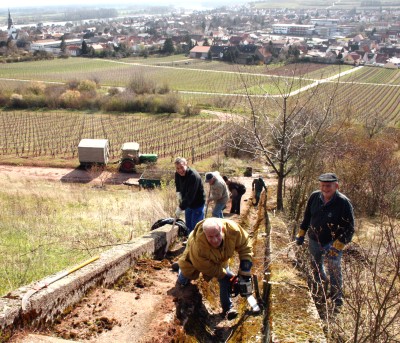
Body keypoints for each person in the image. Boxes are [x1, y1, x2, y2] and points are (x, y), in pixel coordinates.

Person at [296, 173, 355, 312]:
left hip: (333, 242)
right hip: (314, 240)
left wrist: (338, 245)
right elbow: (307, 217)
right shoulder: (314, 197)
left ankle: (336, 300)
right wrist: (301, 234)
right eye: (322, 185)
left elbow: (350, 227)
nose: (325, 188)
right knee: (316, 266)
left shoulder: (343, 202)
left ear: (336, 186)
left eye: (328, 186)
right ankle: (321, 289)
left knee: (334, 270)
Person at [176, 217, 253, 319]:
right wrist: (227, 275)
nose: (215, 240)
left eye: (217, 235)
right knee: (187, 272)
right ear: (205, 234)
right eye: (210, 237)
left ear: (222, 230)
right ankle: (180, 276)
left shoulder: (233, 230)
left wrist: (245, 268)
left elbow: (245, 245)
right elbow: (204, 266)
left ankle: (228, 309)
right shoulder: (198, 245)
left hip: (221, 256)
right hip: (196, 259)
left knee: (225, 281)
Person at [174, 157, 206, 234]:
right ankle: (189, 240)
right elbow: (178, 186)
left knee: (196, 226)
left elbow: (190, 195)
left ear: (186, 164)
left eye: (182, 167)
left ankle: (197, 242)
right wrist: (179, 194)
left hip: (197, 203)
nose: (180, 170)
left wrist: (181, 207)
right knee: (188, 225)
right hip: (188, 203)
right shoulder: (177, 174)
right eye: (177, 168)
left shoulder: (193, 176)